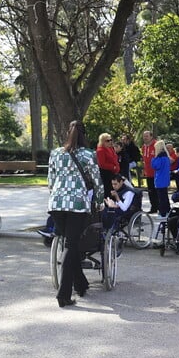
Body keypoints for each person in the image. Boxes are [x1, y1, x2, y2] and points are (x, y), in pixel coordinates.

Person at [47, 120, 104, 307]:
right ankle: (63, 294)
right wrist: (99, 201)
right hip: (77, 204)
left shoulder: (56, 153)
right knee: (71, 245)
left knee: (69, 244)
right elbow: (97, 182)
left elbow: (51, 180)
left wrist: (57, 196)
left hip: (56, 203)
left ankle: (80, 283)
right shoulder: (88, 155)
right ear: (84, 135)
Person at [96, 133, 120, 199]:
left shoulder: (110, 149)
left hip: (113, 173)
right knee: (108, 191)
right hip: (105, 173)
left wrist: (116, 167)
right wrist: (113, 167)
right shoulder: (100, 150)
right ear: (102, 141)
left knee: (113, 190)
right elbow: (101, 164)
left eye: (110, 140)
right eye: (107, 141)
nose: (110, 142)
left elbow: (114, 158)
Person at [151, 140, 171, 218]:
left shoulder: (159, 158)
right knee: (165, 196)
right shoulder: (166, 157)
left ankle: (162, 213)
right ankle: (168, 210)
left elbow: (155, 166)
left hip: (160, 180)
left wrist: (154, 158)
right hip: (165, 179)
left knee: (161, 198)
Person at [141, 130, 159, 213]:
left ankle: (160, 207)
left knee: (158, 191)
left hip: (156, 172)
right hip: (148, 173)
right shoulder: (143, 147)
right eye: (144, 136)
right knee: (151, 191)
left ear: (151, 136)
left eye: (147, 136)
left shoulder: (156, 145)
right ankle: (154, 207)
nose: (145, 138)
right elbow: (144, 160)